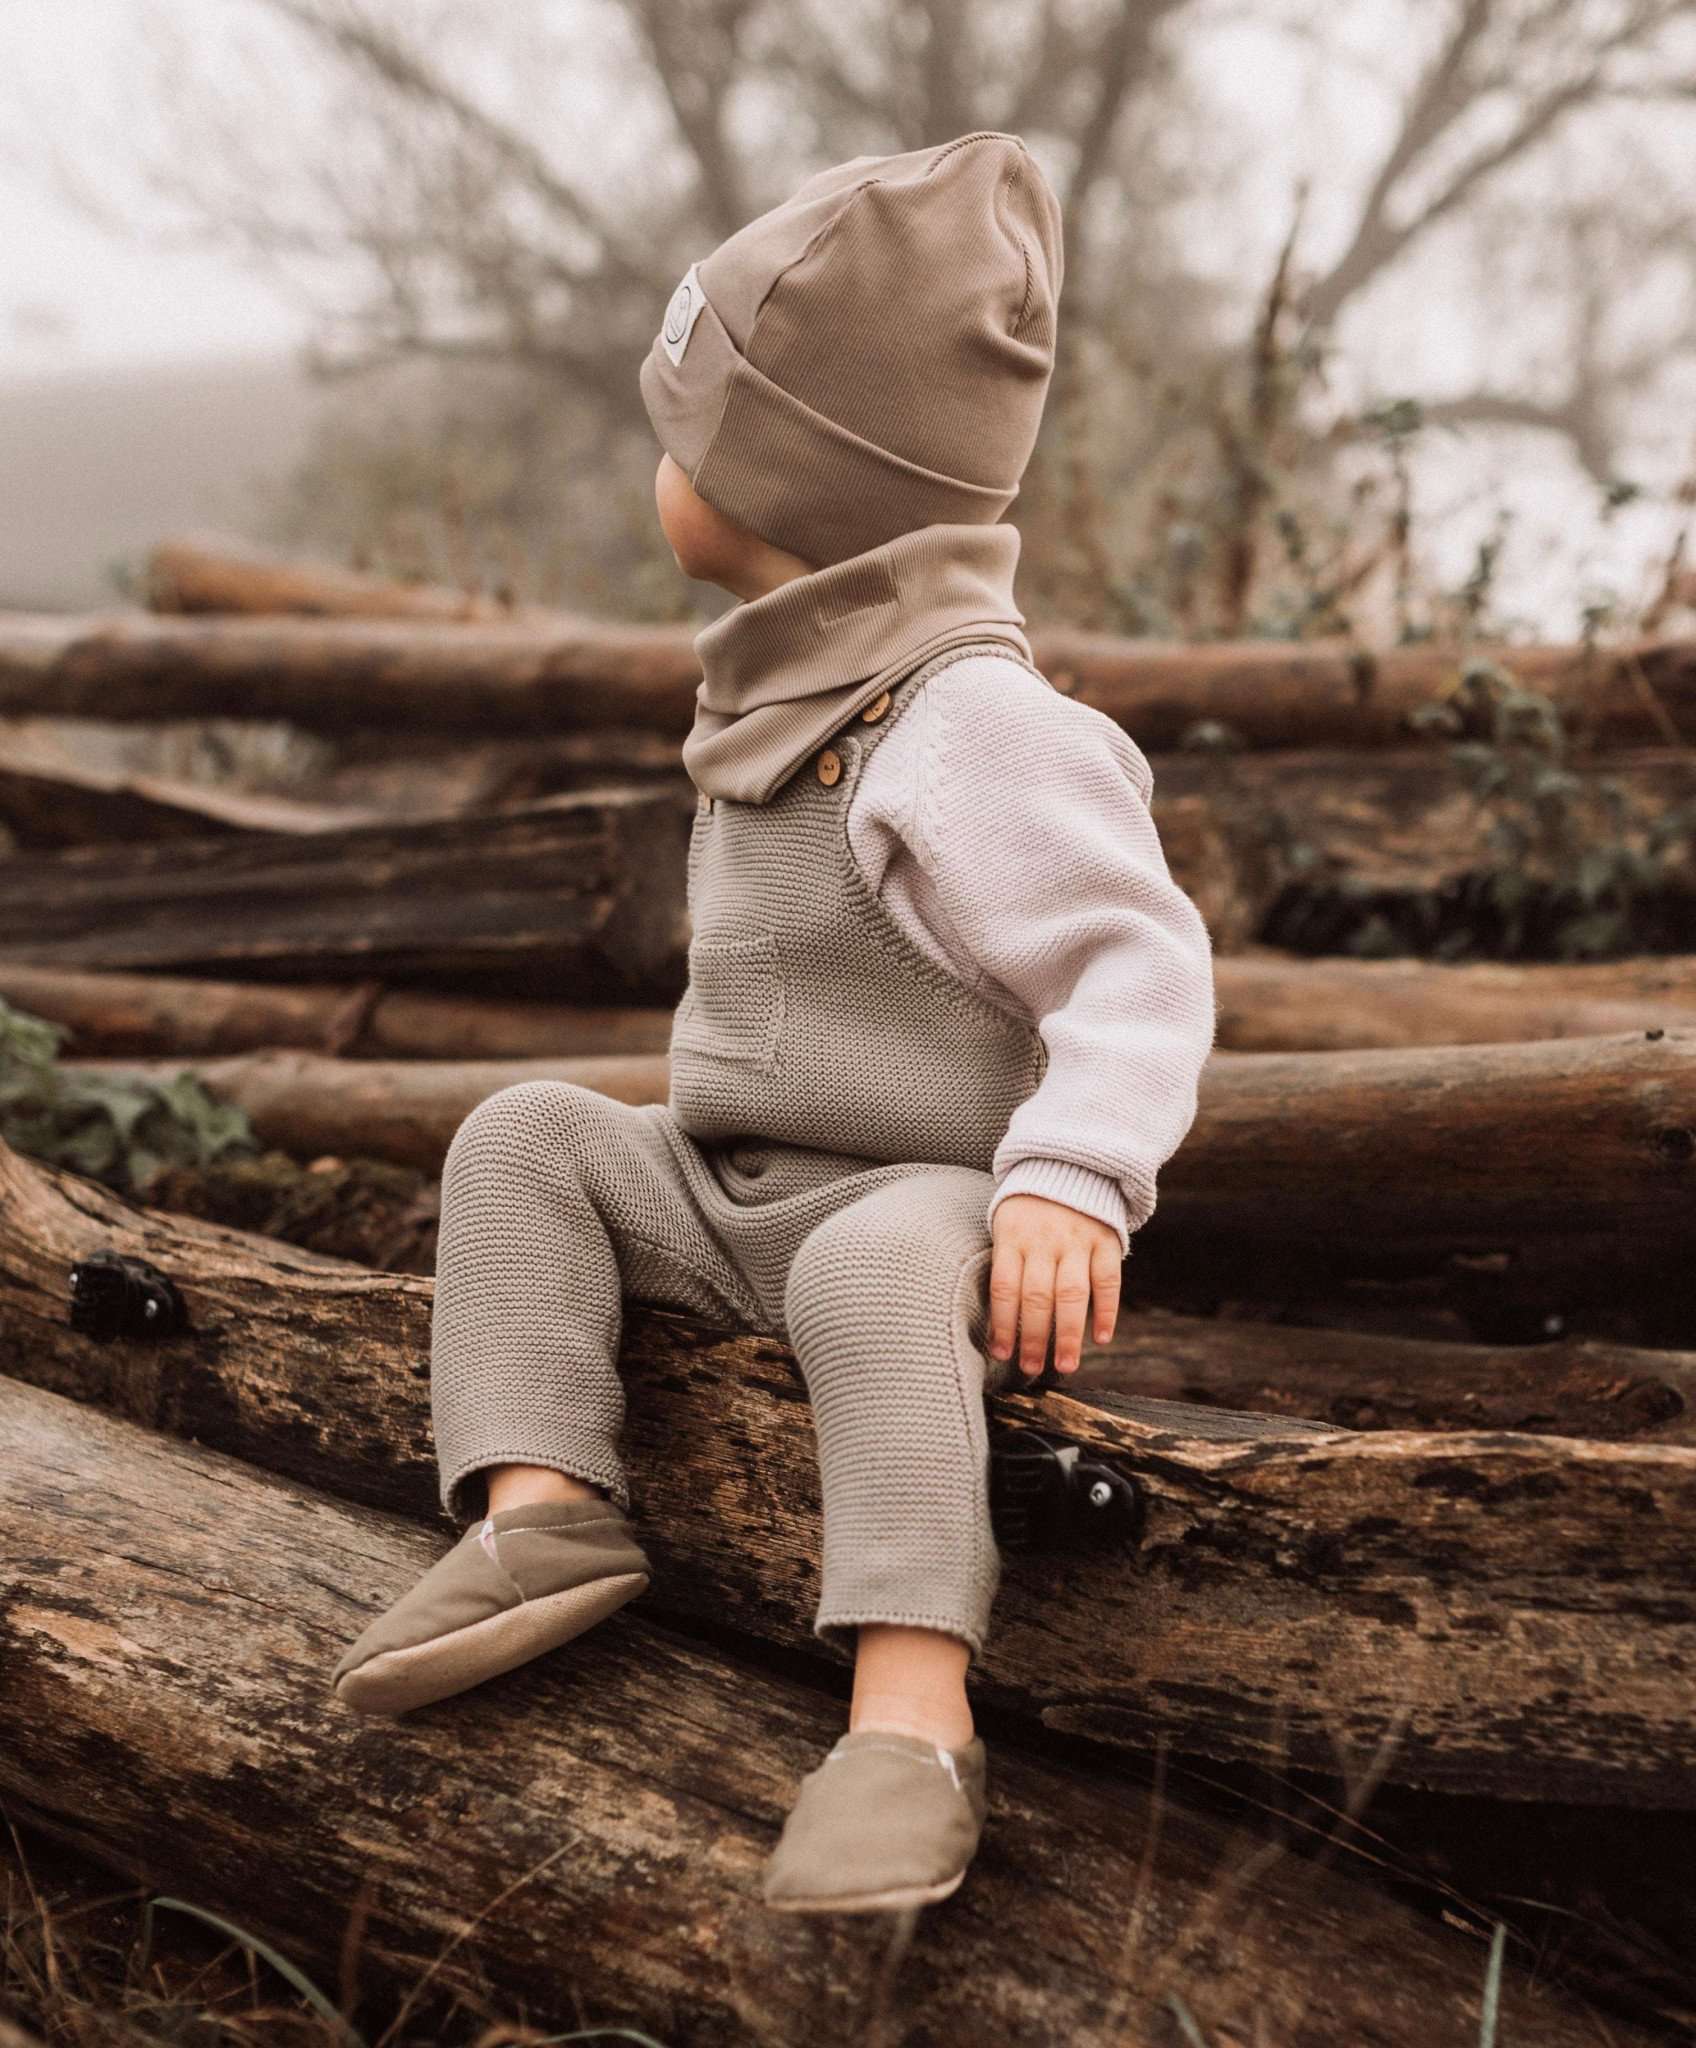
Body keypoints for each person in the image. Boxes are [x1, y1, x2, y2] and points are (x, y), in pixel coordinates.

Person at [329, 131, 1216, 1915]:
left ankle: (909, 1712)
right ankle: (541, 1508)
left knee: (869, 1279)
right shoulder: (795, 687)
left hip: (909, 1197)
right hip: (719, 1180)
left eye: (689, 434)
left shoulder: (972, 723)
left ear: (798, 481)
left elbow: (1138, 962)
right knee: (523, 1135)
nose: (664, 466)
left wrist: (1069, 1179)